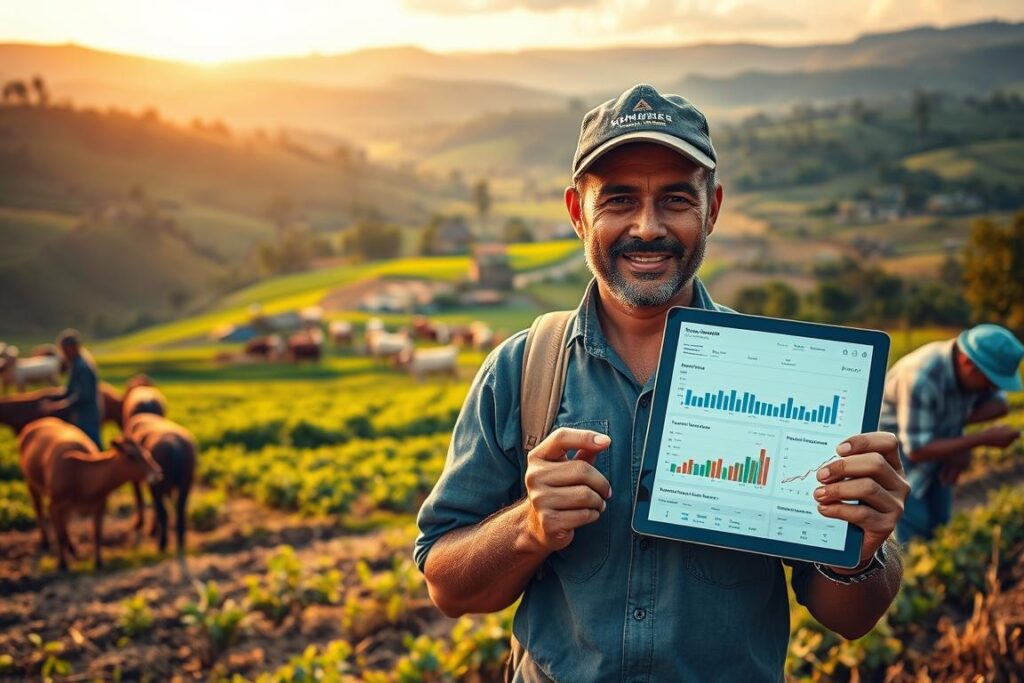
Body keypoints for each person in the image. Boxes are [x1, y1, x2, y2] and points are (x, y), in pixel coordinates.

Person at [414, 84, 909, 682]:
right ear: (578, 212)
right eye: (619, 200)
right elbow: (448, 588)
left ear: (713, 209)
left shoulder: (790, 381)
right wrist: (528, 527)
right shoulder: (522, 372)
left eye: (675, 199)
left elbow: (850, 619)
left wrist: (860, 552)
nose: (647, 227)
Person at [880, 324, 1022, 543]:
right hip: (900, 458)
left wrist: (957, 439)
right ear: (968, 363)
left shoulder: (970, 373)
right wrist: (980, 439)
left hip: (939, 447)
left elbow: (999, 406)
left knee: (939, 523)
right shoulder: (922, 377)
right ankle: (912, 573)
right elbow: (917, 449)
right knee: (913, 528)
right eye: (990, 382)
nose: (992, 389)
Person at [45, 329, 103, 448]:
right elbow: (70, 390)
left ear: (73, 347)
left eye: (65, 350)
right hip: (80, 415)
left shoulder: (82, 367)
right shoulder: (75, 365)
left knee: (92, 446)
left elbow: (83, 396)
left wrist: (59, 406)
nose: (64, 353)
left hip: (86, 416)